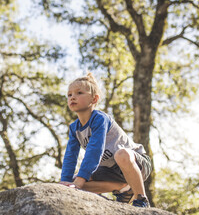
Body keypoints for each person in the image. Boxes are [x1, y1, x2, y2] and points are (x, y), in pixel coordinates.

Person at [59, 73, 152, 208]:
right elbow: (70, 156)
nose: (73, 97)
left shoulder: (99, 119)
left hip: (137, 164)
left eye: (79, 93)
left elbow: (94, 151)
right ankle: (122, 188)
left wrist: (80, 180)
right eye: (69, 95)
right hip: (110, 171)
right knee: (73, 182)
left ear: (94, 99)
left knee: (121, 154)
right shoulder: (74, 128)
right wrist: (65, 182)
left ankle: (141, 199)